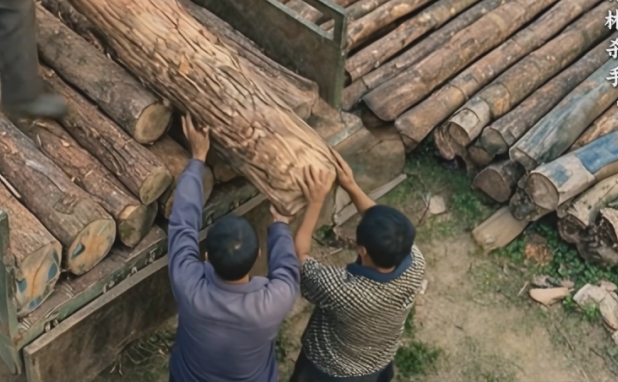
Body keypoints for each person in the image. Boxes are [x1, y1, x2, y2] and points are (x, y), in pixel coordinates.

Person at [167, 114, 302, 382]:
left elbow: (182, 225)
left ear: (207, 257)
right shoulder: (274, 303)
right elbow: (287, 269)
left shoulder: (189, 287)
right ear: (257, 256)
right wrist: (280, 224)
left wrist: (198, 158)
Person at [289, 150, 425, 382]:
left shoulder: (340, 288)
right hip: (377, 358)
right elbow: (380, 223)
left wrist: (315, 202)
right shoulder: (415, 261)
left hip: (330, 369)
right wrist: (350, 185)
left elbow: (299, 257)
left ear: (362, 251)